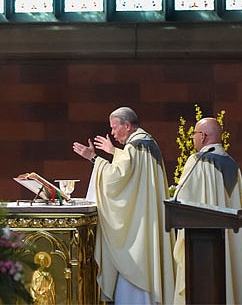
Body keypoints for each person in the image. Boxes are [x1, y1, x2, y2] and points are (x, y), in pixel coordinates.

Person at [72, 106, 174, 304]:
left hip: (136, 226)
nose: (111, 132)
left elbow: (116, 179)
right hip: (145, 218)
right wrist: (113, 152)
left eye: (114, 127)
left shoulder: (135, 146)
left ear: (127, 125)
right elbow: (129, 174)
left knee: (132, 264)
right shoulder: (146, 142)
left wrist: (94, 158)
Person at [172, 117, 242, 304]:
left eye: (194, 133)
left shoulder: (198, 161)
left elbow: (181, 202)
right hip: (226, 241)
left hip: (202, 247)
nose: (193, 138)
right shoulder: (233, 164)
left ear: (202, 136)